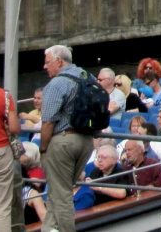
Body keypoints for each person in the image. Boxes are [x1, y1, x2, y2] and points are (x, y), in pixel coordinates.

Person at [40, 45, 97, 232]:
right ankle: (48, 228)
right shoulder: (89, 77)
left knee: (62, 193)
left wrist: (42, 149)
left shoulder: (56, 84)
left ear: (59, 61)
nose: (44, 67)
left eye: (47, 62)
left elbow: (48, 122)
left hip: (63, 141)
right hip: (86, 142)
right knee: (58, 190)